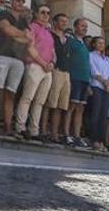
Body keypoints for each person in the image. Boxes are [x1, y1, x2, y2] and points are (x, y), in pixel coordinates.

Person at [0, 0, 30, 135]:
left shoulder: (24, 21)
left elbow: (29, 39)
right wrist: (21, 34)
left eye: (23, 1)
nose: (21, 3)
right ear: (11, 1)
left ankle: (7, 126)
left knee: (11, 93)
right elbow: (6, 29)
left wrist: (18, 34)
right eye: (18, 0)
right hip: (3, 55)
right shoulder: (3, 14)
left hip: (19, 59)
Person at [15, 4, 56, 140]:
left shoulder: (49, 33)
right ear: (36, 14)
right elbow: (30, 47)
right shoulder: (32, 27)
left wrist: (51, 63)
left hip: (47, 70)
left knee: (40, 101)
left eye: (48, 13)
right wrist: (43, 63)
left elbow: (53, 52)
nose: (45, 16)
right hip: (34, 65)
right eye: (43, 12)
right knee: (27, 97)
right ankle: (20, 127)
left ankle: (34, 130)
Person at [43, 13, 72, 143]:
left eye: (66, 21)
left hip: (66, 73)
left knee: (61, 105)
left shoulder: (67, 38)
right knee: (50, 103)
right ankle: (43, 129)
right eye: (62, 21)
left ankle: (54, 132)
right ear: (55, 22)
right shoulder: (50, 34)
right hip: (56, 70)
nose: (64, 23)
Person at [65, 18, 91, 148]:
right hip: (74, 77)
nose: (85, 28)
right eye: (82, 26)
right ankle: (66, 134)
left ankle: (77, 136)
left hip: (85, 80)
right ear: (75, 27)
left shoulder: (85, 46)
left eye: (86, 26)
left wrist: (89, 82)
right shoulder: (70, 41)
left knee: (80, 109)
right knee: (71, 107)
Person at [87, 37, 109, 151]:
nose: (102, 45)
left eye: (103, 43)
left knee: (103, 116)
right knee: (95, 113)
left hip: (107, 89)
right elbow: (93, 71)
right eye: (99, 43)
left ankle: (101, 140)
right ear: (94, 44)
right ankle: (94, 139)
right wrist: (104, 82)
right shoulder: (91, 55)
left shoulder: (107, 59)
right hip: (97, 86)